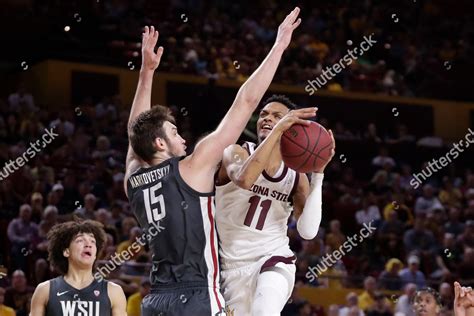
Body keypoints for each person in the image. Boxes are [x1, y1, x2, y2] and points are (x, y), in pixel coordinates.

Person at [124, 7, 302, 316]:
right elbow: (246, 102)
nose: (183, 139)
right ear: (160, 143)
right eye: (175, 132)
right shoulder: (192, 167)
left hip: (156, 299)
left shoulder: (133, 179)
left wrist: (147, 73)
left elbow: (134, 133)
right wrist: (278, 47)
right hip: (195, 295)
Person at [215, 93, 334, 315]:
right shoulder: (236, 152)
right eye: (264, 114)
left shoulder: (296, 176)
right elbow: (244, 179)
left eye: (277, 116)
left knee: (264, 311)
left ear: (291, 126)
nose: (268, 119)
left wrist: (318, 175)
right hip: (230, 268)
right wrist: (279, 128)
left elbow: (307, 232)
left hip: (273, 258)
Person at [30, 220, 127, 315]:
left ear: (95, 254)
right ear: (66, 251)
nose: (88, 244)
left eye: (92, 241)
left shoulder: (114, 291)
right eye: (80, 240)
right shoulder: (45, 290)